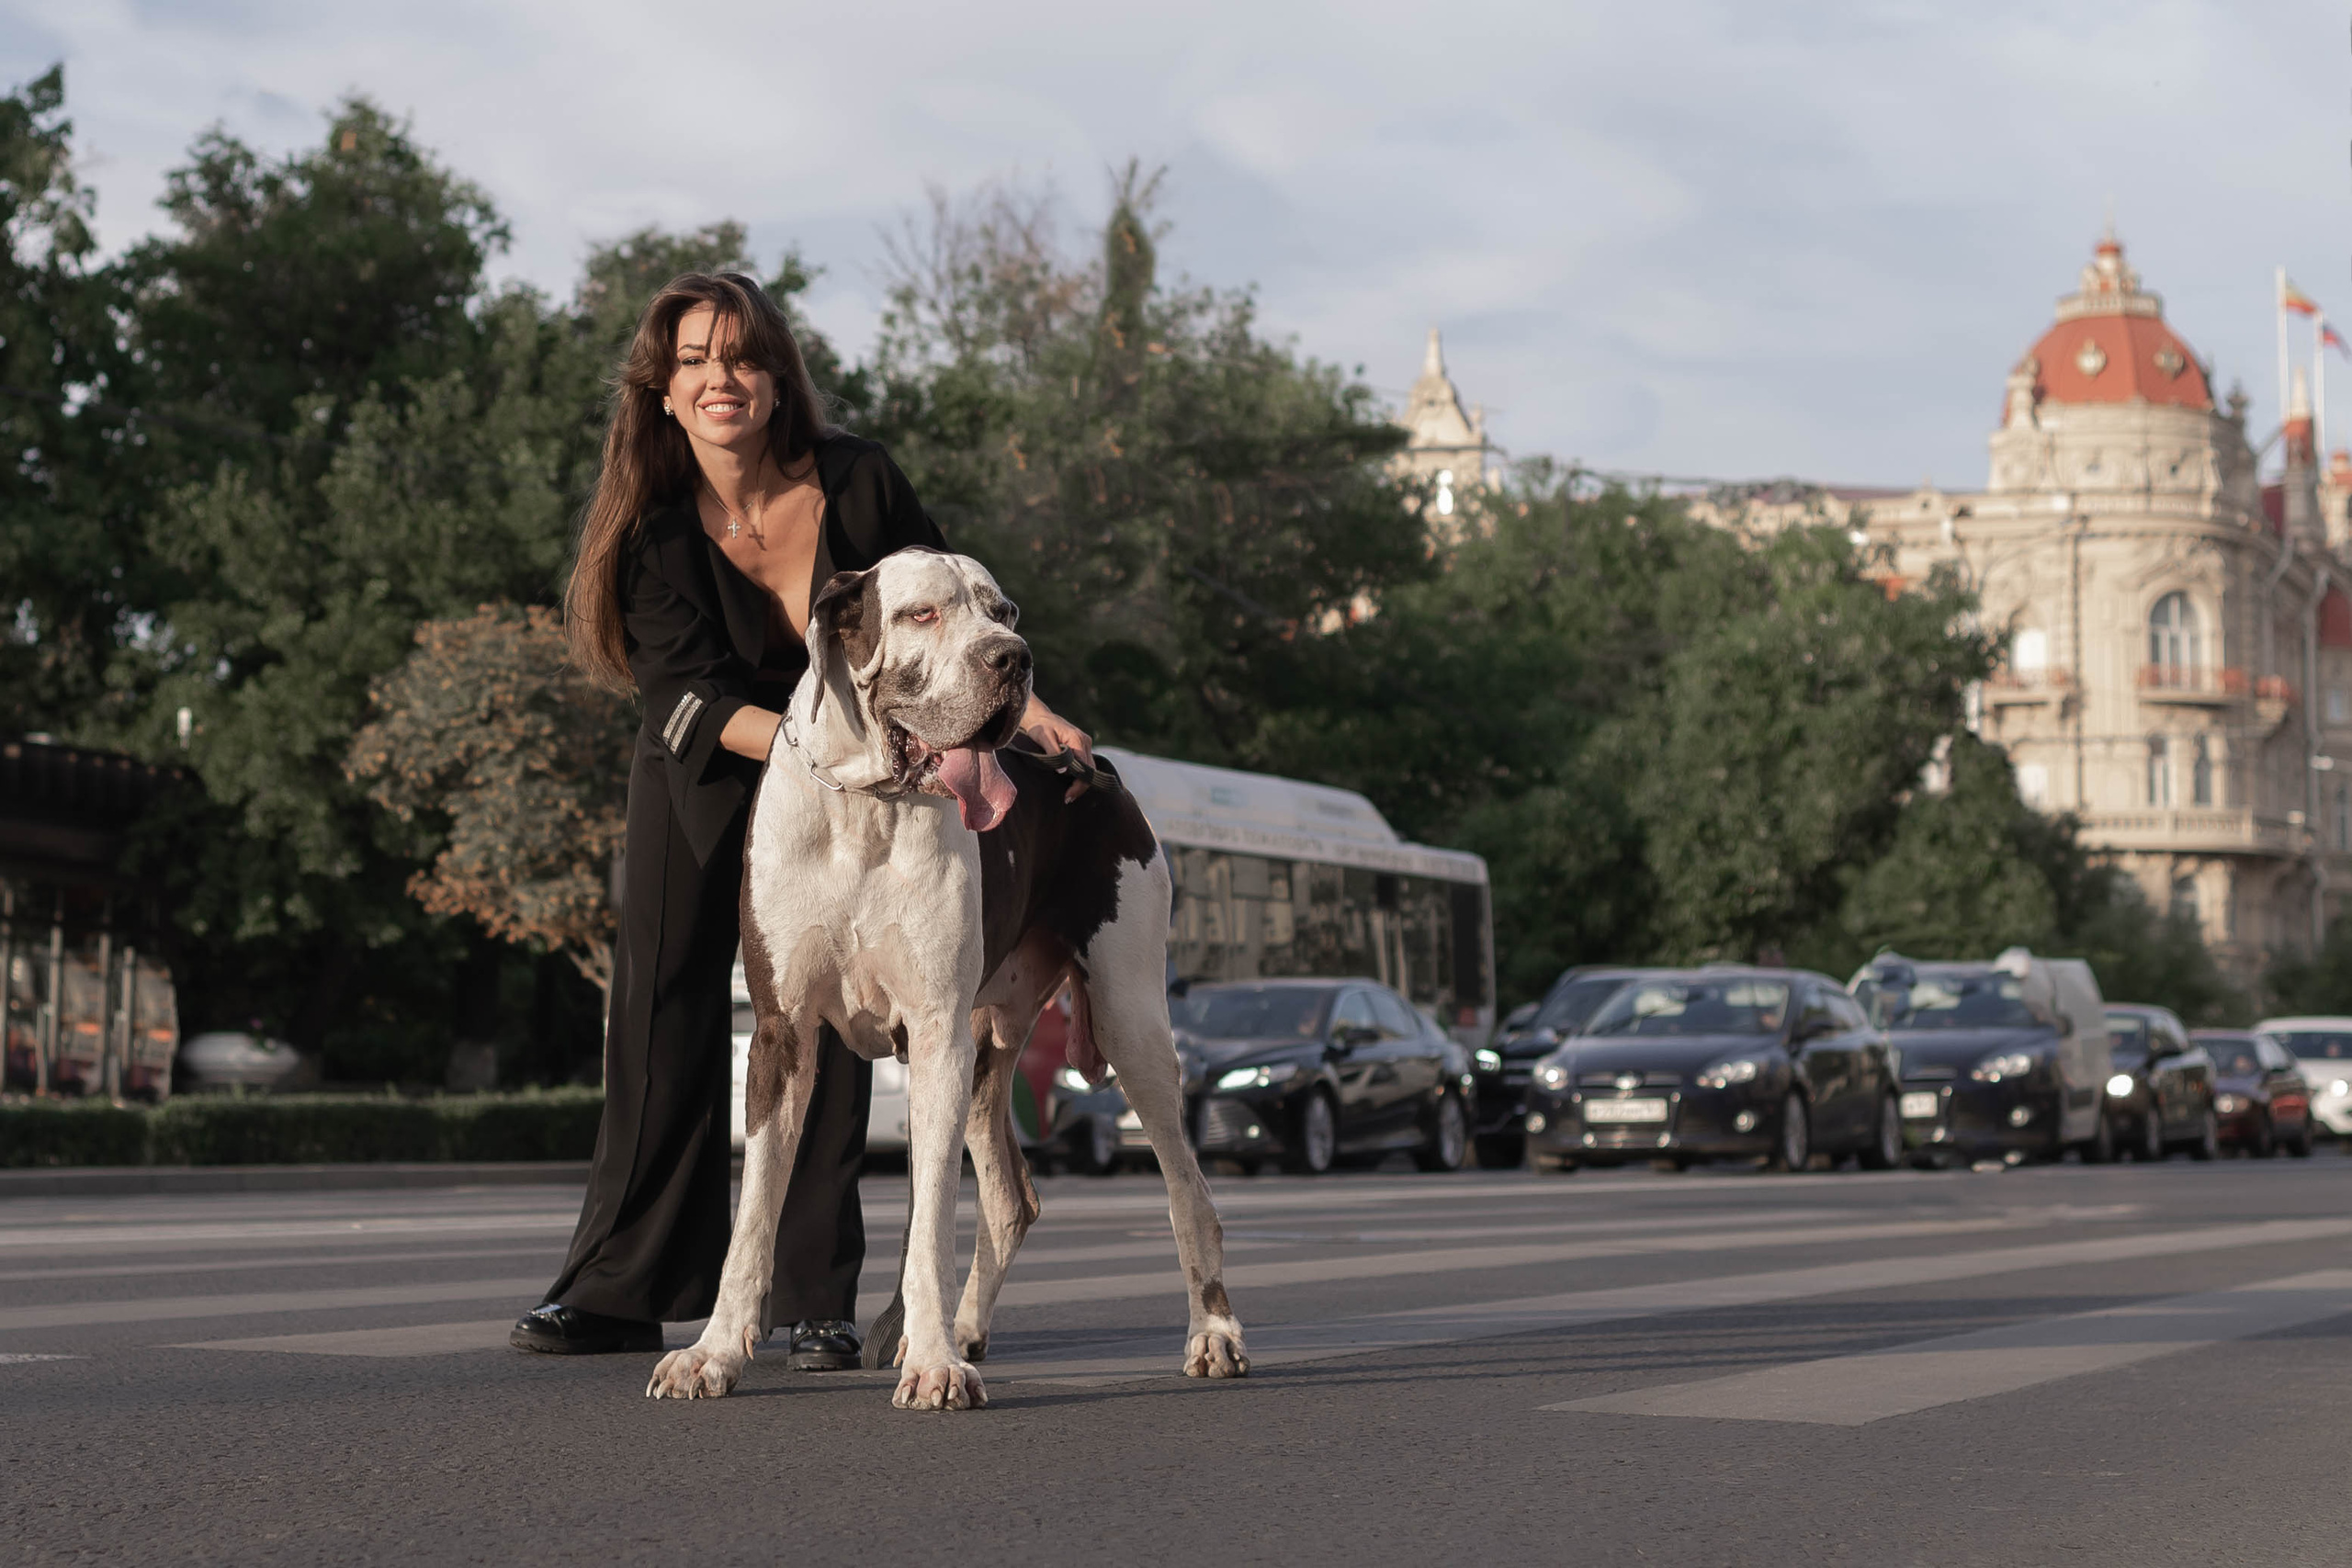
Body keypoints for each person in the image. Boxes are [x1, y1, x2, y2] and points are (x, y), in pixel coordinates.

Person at [510, 273, 1092, 1363]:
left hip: (870, 774)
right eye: (694, 362)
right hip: (711, 763)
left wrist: (1038, 716)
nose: (720, 378)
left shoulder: (858, 478)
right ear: (664, 392)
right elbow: (683, 698)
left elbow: (957, 607)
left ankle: (814, 1297)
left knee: (842, 1009)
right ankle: (618, 1283)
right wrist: (818, 750)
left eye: (741, 357)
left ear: (778, 381)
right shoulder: (650, 533)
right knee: (661, 1004)